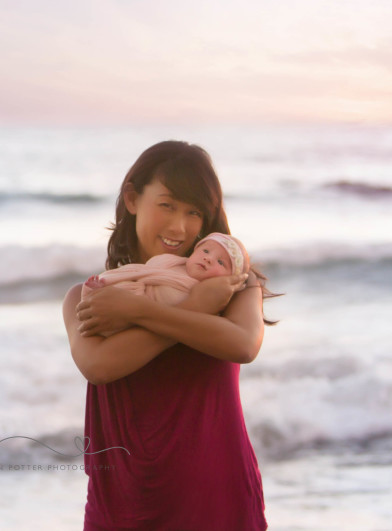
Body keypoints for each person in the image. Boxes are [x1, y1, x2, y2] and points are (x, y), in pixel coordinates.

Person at [62, 141, 269, 530]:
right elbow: (98, 365)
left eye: (194, 212)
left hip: (217, 501)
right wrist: (190, 309)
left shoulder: (234, 287)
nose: (180, 227)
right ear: (132, 198)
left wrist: (141, 312)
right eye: (168, 205)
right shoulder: (90, 296)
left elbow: (243, 344)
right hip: (122, 505)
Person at [80, 232, 251, 336]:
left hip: (149, 310)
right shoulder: (174, 262)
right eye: (205, 251)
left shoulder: (213, 296)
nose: (208, 258)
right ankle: (101, 291)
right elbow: (142, 271)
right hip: (141, 289)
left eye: (221, 263)